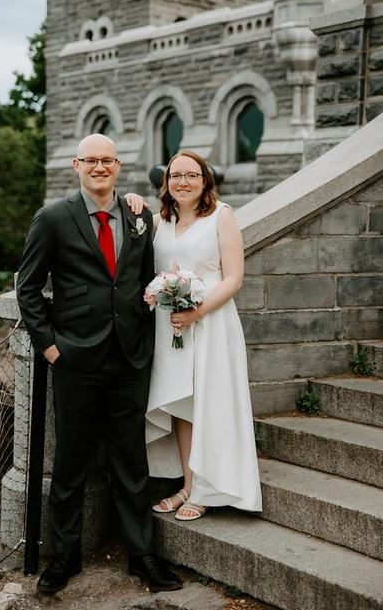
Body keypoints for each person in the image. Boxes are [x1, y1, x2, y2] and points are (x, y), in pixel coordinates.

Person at [16, 134, 182, 594]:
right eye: (91, 160)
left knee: (132, 462)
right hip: (76, 358)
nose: (99, 168)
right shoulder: (52, 218)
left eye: (107, 161)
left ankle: (141, 555)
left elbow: (146, 279)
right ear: (76, 165)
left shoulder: (139, 215)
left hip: (130, 357)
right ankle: (63, 557)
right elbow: (28, 288)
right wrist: (49, 346)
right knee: (71, 462)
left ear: (118, 165)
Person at [129, 150, 262, 521]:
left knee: (210, 403)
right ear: (165, 183)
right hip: (171, 328)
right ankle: (188, 485)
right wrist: (131, 201)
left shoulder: (222, 216)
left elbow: (234, 278)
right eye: (175, 176)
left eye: (191, 175)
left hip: (211, 322)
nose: (182, 182)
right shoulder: (158, 222)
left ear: (205, 181)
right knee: (182, 406)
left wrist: (197, 313)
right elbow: (128, 226)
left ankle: (207, 489)